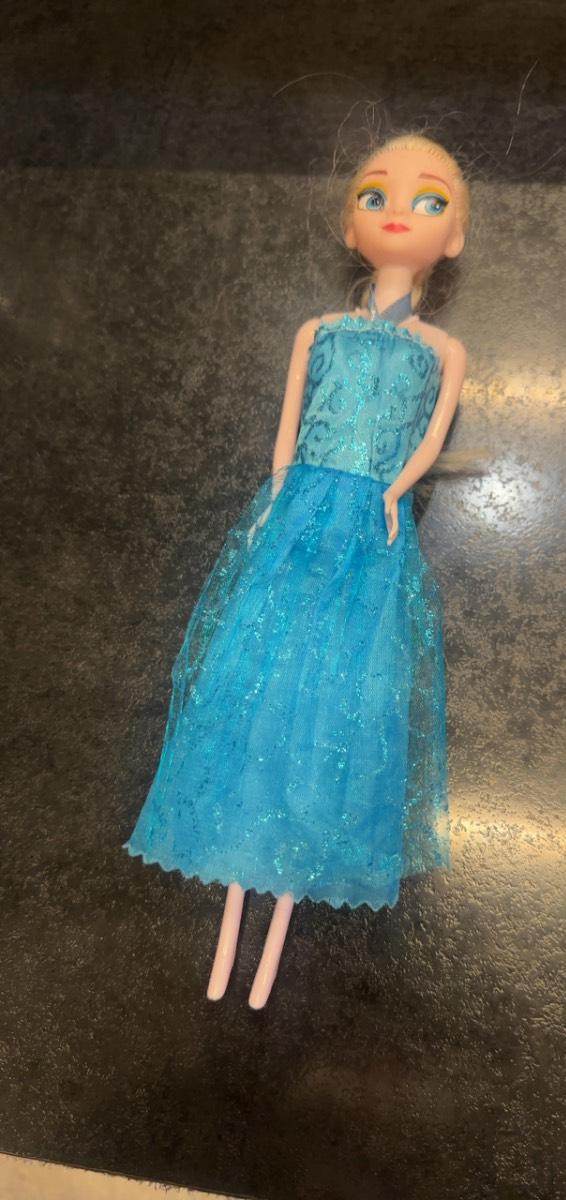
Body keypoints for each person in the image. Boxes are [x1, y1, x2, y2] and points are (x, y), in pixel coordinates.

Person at [122, 131, 471, 1008]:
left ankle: (281, 906)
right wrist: (278, 490)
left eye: (429, 201)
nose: (399, 212)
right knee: (259, 666)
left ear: (453, 237)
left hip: (371, 519)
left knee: (346, 684)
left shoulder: (441, 349)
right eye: (375, 196)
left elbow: (431, 435)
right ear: (351, 228)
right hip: (302, 505)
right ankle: (236, 897)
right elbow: (289, 421)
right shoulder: (317, 332)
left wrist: (394, 491)